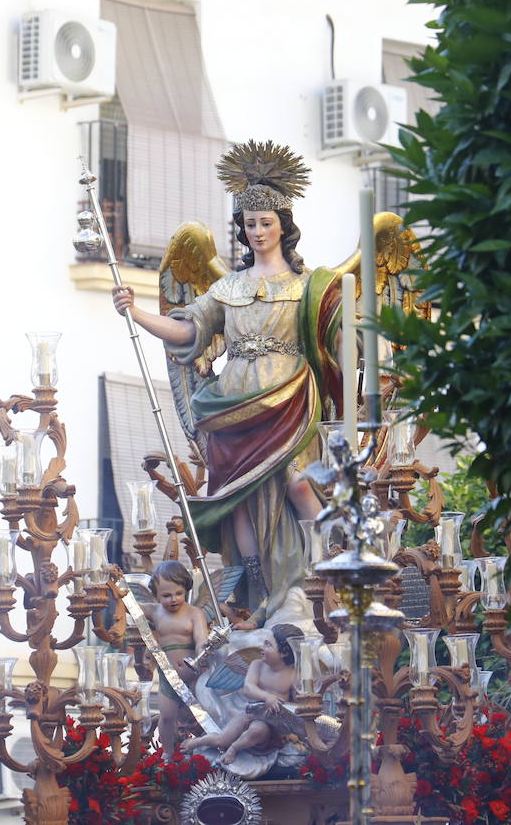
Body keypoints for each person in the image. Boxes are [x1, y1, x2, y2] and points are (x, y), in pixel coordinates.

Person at [112, 141, 344, 628]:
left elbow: (341, 343)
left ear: (284, 226)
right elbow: (189, 332)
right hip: (233, 403)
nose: (257, 232)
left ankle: (320, 570)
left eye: (266, 222)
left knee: (299, 484)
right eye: (249, 224)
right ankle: (254, 587)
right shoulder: (226, 288)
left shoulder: (311, 286)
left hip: (291, 399)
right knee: (235, 495)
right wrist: (136, 312)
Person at [180, 623, 304, 767]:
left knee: (258, 729)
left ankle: (234, 748)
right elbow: (248, 688)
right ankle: (197, 742)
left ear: (284, 653)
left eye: (268, 645)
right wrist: (267, 697)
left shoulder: (293, 675)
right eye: (263, 643)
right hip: (250, 714)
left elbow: (299, 702)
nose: (262, 648)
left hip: (273, 725)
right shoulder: (257, 665)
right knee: (222, 739)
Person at [143, 559, 211, 755]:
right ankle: (168, 753)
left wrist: (201, 653)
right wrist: (115, 581)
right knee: (166, 716)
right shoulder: (155, 612)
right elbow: (128, 601)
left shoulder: (194, 613)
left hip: (192, 673)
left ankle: (203, 750)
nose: (173, 599)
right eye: (166, 595)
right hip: (168, 675)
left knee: (199, 716)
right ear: (155, 595)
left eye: (178, 593)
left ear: (186, 589)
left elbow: (200, 639)